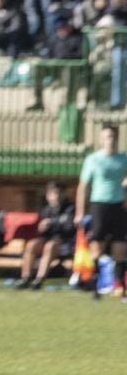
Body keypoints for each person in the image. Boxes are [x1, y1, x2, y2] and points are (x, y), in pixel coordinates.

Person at [76, 124, 127, 299]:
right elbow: (83, 186)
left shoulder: (123, 158)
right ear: (101, 139)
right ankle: (95, 285)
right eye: (106, 137)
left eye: (112, 137)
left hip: (118, 206)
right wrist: (79, 212)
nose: (109, 140)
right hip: (99, 205)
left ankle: (120, 287)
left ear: (117, 139)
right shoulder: (93, 159)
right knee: (96, 246)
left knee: (120, 247)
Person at [17, 181, 76, 290]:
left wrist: (52, 223)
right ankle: (25, 278)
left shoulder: (70, 208)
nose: (55, 197)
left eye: (58, 193)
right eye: (52, 194)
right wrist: (42, 228)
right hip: (47, 240)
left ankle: (39, 279)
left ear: (63, 194)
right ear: (48, 196)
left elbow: (69, 228)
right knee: (32, 244)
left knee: (50, 246)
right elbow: (41, 233)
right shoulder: (46, 210)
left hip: (64, 244)